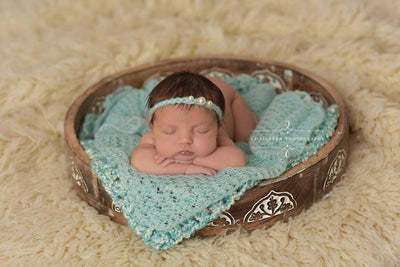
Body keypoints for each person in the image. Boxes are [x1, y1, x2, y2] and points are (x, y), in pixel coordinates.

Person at [131, 71, 259, 176]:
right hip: (190, 97)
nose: (185, 140)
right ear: (152, 127)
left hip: (227, 93)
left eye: (201, 130)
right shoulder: (153, 134)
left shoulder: (219, 135)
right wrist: (184, 169)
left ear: (218, 126)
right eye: (169, 131)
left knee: (245, 136)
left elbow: (237, 160)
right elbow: (139, 160)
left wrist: (192, 161)